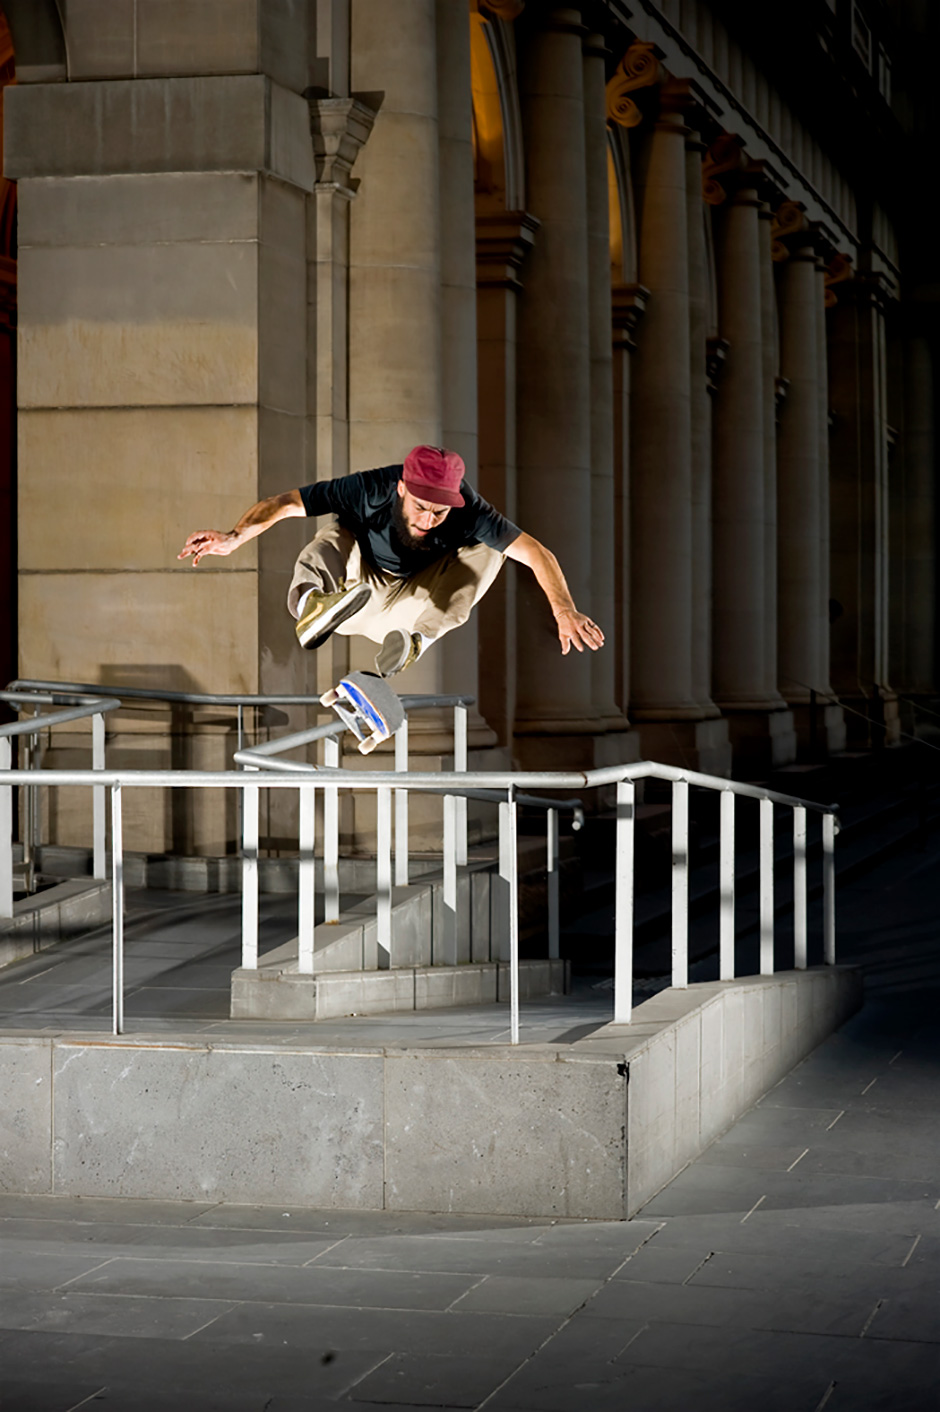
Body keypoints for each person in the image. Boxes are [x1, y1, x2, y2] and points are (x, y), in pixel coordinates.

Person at [179, 445, 604, 678]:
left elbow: (535, 552)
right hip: (356, 590)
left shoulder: (470, 510)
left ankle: (414, 643)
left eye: (440, 513)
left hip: (410, 608)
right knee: (338, 530)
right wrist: (234, 538)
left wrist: (563, 609)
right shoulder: (369, 487)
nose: (428, 520)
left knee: (491, 550)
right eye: (421, 508)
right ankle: (312, 605)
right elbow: (286, 503)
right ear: (401, 488)